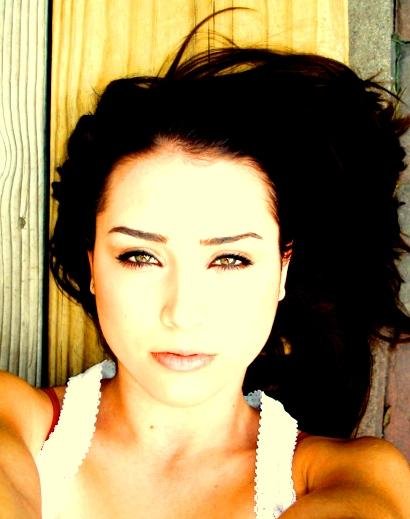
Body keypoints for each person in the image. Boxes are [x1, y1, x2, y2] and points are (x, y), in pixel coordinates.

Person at [1, 12, 410, 519]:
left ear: (282, 271)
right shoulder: (13, 421)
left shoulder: (355, 476)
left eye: (230, 259)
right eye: (140, 256)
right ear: (92, 264)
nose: (182, 312)